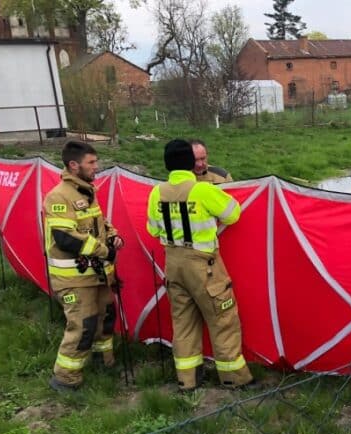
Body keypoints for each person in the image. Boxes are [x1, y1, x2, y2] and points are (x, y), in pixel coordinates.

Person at [146, 139, 255, 392]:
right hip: (204, 267)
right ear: (189, 163)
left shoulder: (156, 193)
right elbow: (233, 214)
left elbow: (152, 229)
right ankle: (234, 378)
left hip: (173, 265)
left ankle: (188, 380)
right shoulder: (203, 190)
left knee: (183, 322)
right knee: (223, 320)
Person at [44, 140, 124, 392]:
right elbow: (65, 238)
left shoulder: (87, 191)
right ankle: (65, 378)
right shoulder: (59, 196)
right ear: (74, 165)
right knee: (82, 326)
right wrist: (105, 251)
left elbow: (99, 223)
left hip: (97, 275)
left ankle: (104, 362)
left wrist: (113, 235)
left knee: (104, 319)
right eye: (91, 162)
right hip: (74, 279)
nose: (96, 167)